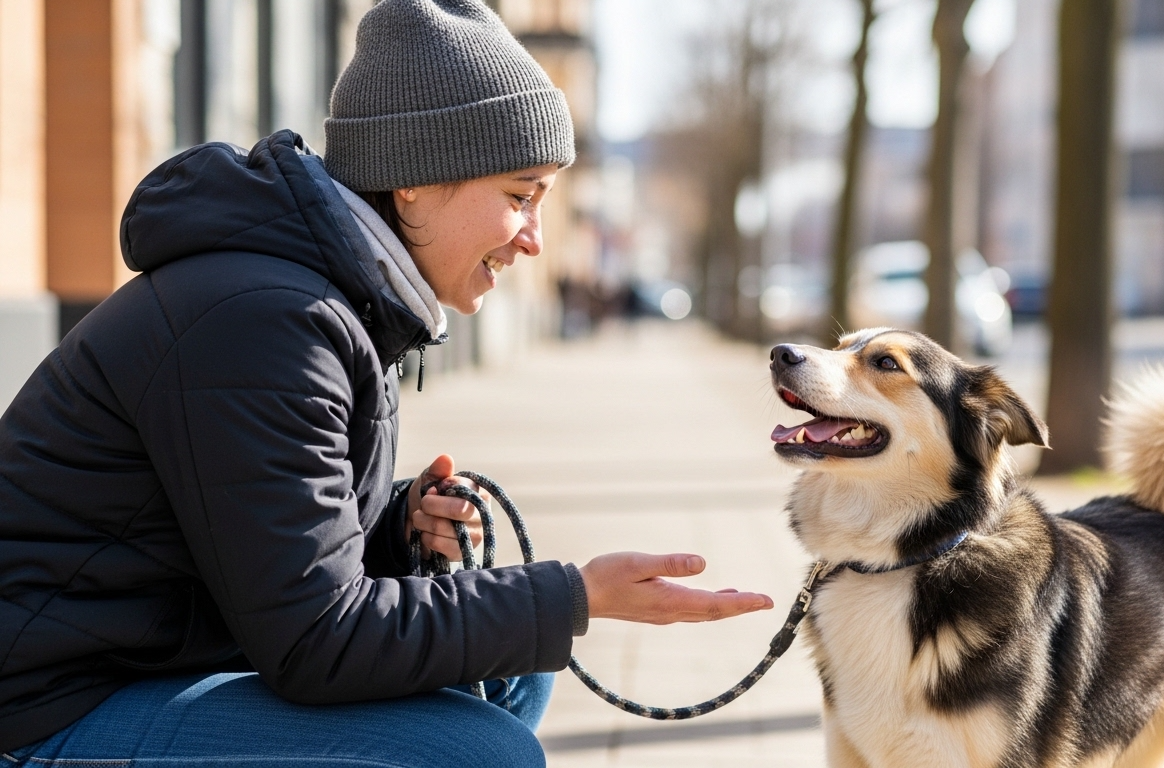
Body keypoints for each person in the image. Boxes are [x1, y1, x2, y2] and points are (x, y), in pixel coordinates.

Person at [0, 1, 772, 765]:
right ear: (414, 179)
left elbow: (245, 544)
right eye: (517, 195)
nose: (536, 238)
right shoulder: (267, 319)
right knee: (474, 752)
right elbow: (316, 642)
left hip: (146, 658)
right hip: (47, 709)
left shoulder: (326, 298)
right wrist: (576, 593)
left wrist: (394, 528)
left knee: (508, 676)